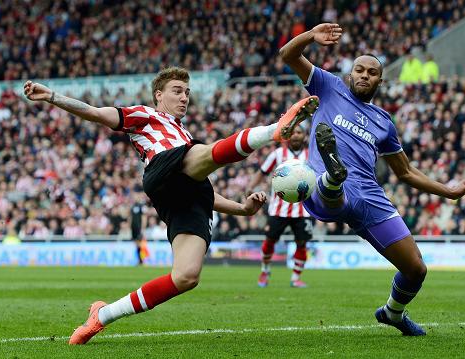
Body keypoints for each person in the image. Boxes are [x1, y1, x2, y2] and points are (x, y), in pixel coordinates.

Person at [23, 67, 319, 345]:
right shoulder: (145, 115)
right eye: (177, 91)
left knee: (186, 277)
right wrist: (52, 97)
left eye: (187, 93)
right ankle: (273, 130)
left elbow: (204, 194)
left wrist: (242, 209)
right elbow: (95, 113)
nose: (184, 97)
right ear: (159, 95)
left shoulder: (187, 136)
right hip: (162, 170)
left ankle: (102, 315)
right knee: (202, 155)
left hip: (185, 192)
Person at [279, 23, 465, 336]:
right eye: (359, 70)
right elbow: (287, 55)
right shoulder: (328, 87)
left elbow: (406, 172)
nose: (363, 75)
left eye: (371, 72)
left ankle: (393, 313)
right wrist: (310, 36)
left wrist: (450, 191)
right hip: (325, 187)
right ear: (351, 74)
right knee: (333, 192)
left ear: (380, 80)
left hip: (369, 195)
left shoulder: (383, 122)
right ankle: (332, 178)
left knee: (416, 268)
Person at [247, 125, 314, 288]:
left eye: (299, 133)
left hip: (303, 210)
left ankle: (296, 278)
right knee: (269, 241)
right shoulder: (277, 154)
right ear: (287, 136)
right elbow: (262, 172)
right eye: (293, 133)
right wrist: (250, 188)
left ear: (304, 136)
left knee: (302, 243)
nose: (295, 136)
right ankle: (265, 271)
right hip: (278, 209)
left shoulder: (311, 155)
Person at [130, 190, 148, 265]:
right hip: (133, 228)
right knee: (136, 244)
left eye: (136, 196)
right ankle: (140, 260)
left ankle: (142, 260)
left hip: (139, 227)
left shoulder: (142, 206)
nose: (135, 198)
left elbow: (144, 217)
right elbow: (131, 217)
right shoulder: (133, 206)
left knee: (140, 243)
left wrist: (143, 228)